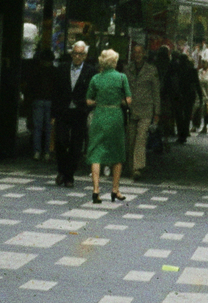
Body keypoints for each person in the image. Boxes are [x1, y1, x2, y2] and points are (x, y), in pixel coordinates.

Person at [84, 49, 131, 202]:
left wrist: (99, 102)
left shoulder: (96, 79)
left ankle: (96, 190)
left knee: (96, 152)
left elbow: (88, 101)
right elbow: (128, 100)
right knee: (117, 153)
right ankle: (115, 189)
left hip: (99, 116)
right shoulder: (122, 78)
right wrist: (118, 102)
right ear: (115, 62)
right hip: (115, 116)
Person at [53, 42, 94, 187]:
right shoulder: (62, 68)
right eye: (75, 53)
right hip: (63, 111)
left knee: (76, 145)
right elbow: (56, 90)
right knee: (61, 141)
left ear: (85, 56)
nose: (77, 57)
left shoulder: (90, 71)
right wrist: (54, 113)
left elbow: (92, 92)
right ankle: (61, 170)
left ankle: (69, 176)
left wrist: (86, 107)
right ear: (71, 54)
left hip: (79, 111)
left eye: (81, 54)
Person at [123, 44, 160, 180]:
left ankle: (137, 168)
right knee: (130, 139)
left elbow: (156, 92)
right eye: (135, 52)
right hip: (131, 109)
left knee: (141, 138)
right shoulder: (128, 69)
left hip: (146, 109)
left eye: (140, 52)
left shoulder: (151, 70)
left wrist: (157, 112)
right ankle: (131, 167)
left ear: (144, 53)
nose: (137, 55)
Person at [24, 55, 53, 161]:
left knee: (37, 128)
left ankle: (37, 151)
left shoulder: (36, 71)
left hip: (38, 100)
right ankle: (47, 152)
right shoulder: (54, 72)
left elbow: (30, 87)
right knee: (49, 128)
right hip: (50, 101)